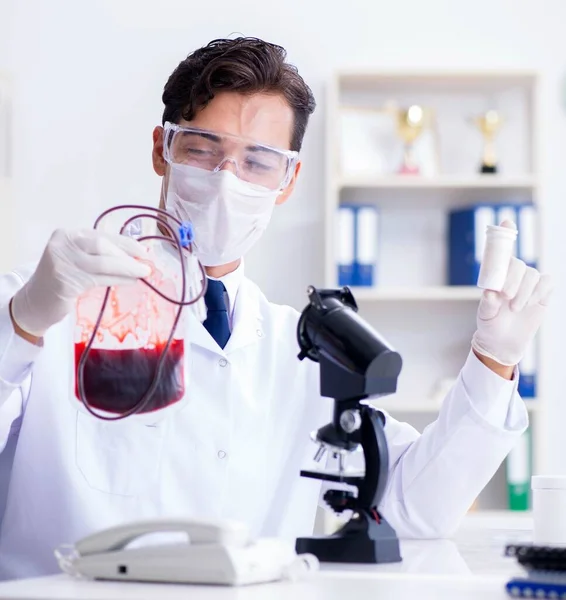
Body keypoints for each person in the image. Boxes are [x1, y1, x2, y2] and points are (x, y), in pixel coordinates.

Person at [0, 37, 552, 580]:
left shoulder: (302, 347)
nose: (226, 180)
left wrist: (493, 362)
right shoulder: (45, 301)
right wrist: (23, 322)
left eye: (257, 162)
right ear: (161, 150)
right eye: (202, 148)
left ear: (288, 179)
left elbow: (413, 509)